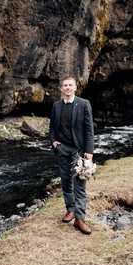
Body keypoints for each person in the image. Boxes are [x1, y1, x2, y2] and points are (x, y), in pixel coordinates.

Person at [48, 76, 94, 235]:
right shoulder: (56, 105)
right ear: (61, 89)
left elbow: (89, 130)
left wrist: (89, 151)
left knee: (79, 185)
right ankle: (70, 209)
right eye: (65, 85)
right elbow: (52, 127)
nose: (67, 88)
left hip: (78, 151)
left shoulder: (84, 104)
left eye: (70, 85)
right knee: (66, 182)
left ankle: (80, 219)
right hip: (62, 149)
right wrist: (53, 142)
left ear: (75, 88)